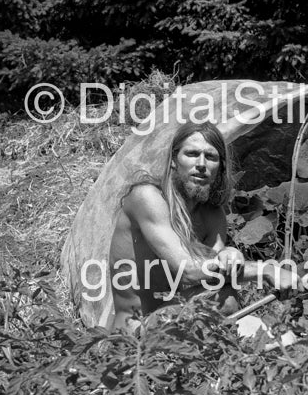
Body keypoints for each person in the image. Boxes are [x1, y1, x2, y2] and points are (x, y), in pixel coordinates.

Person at [108, 121, 296, 330]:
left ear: (220, 167)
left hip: (179, 319)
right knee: (224, 300)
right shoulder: (147, 198)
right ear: (173, 160)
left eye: (211, 157)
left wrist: (230, 256)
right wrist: (265, 270)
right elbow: (187, 270)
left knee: (227, 299)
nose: (201, 163)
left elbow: (213, 278)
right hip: (135, 332)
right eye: (191, 154)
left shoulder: (213, 215)